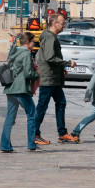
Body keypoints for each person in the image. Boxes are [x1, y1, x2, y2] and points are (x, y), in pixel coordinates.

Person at [33, 13, 76, 145]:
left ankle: (62, 133)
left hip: (54, 78)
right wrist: (67, 63)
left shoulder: (50, 37)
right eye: (62, 23)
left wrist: (61, 68)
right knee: (42, 107)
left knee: (61, 102)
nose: (64, 26)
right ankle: (34, 133)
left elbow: (50, 57)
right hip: (48, 78)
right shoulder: (50, 38)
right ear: (54, 24)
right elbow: (49, 57)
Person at [0, 33, 40, 153]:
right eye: (33, 42)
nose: (34, 44)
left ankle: (5, 145)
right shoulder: (26, 54)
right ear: (27, 42)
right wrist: (37, 74)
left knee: (9, 117)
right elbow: (28, 73)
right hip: (21, 88)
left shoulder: (14, 52)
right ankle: (31, 144)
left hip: (10, 87)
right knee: (32, 113)